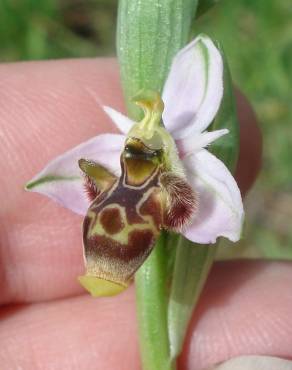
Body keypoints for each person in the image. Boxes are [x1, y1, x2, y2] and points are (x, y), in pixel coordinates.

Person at [1, 58, 291, 370]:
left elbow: (226, 215)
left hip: (171, 173)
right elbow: (60, 178)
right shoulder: (119, 153)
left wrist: (228, 222)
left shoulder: (196, 167)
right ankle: (106, 269)